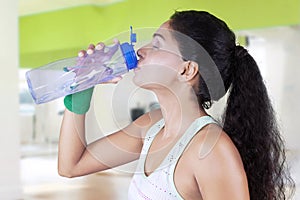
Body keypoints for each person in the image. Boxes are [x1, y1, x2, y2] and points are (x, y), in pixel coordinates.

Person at [58, 10, 295, 200]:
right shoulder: (150, 127)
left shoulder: (211, 151)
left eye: (157, 45)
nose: (140, 51)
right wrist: (80, 89)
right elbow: (71, 166)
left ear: (187, 69)